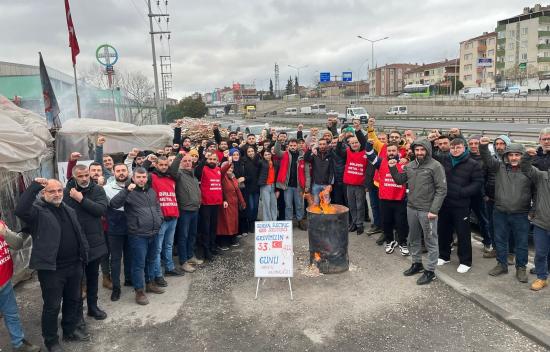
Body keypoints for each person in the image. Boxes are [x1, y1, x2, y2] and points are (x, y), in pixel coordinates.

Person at [16, 178, 90, 351]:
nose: (57, 194)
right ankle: (51, 341)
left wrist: (83, 255)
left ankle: (69, 330)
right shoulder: (37, 212)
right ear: (44, 193)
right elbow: (20, 210)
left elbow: (79, 233)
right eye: (52, 191)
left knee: (73, 300)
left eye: (59, 190)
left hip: (74, 265)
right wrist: (34, 185)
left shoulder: (69, 209)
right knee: (52, 306)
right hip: (52, 270)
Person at [389, 139, 447, 285]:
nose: (420, 153)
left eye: (422, 150)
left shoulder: (435, 166)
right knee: (413, 238)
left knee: (430, 241)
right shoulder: (410, 165)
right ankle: (417, 263)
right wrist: (393, 168)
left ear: (427, 150)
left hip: (427, 210)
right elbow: (399, 180)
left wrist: (434, 210)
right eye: (417, 150)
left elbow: (442, 190)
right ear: (414, 151)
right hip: (411, 208)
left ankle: (430, 271)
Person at [480, 137, 532, 283]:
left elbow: (536, 192)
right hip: (500, 211)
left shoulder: (529, 170)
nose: (514, 157)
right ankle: (501, 264)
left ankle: (521, 268)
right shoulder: (499, 167)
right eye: (510, 155)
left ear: (522, 156)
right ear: (506, 156)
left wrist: (533, 210)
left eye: (517, 154)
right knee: (500, 240)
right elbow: (487, 158)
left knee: (521, 243)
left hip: (521, 213)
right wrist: (483, 146)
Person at [110, 167, 164, 305]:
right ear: (133, 178)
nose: (141, 179)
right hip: (138, 235)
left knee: (151, 260)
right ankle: (139, 291)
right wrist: (127, 189)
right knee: (138, 264)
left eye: (144, 177)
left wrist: (160, 219)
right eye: (138, 177)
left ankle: (150, 283)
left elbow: (157, 207)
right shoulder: (129, 192)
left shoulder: (151, 191)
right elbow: (114, 204)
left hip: (154, 232)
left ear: (147, 178)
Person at [64, 164, 108, 321]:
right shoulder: (67, 192)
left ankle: (92, 307)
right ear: (74, 177)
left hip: (94, 241)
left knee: (93, 277)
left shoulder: (97, 190)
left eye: (86, 175)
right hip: (75, 243)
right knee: (76, 281)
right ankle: (77, 314)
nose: (83, 179)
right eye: (80, 176)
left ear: (89, 175)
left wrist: (81, 199)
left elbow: (101, 210)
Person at [433, 138, 483, 274]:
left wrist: (462, 192)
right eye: (453, 147)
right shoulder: (445, 160)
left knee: (463, 234)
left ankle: (465, 261)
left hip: (461, 205)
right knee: (443, 231)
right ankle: (444, 255)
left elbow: (477, 183)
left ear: (464, 148)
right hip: (444, 203)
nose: (455, 150)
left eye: (458, 147)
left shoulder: (473, 164)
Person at [0, 221, 41, 352]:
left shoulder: (0, 224)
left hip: (5, 280)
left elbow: (18, 244)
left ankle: (18, 343)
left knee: (11, 313)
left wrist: (4, 233)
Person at [143, 155, 184, 286]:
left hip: (173, 216)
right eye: (161, 165)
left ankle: (170, 268)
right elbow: (140, 174)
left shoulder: (171, 177)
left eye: (166, 165)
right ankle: (157, 274)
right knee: (157, 248)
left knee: (168, 245)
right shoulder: (151, 177)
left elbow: (175, 172)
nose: (164, 167)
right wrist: (148, 161)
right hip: (160, 219)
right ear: (156, 165)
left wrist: (178, 157)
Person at [365, 141, 410, 256]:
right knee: (386, 223)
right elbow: (370, 155)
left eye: (393, 150)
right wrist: (369, 145)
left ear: (397, 151)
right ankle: (390, 241)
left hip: (399, 200)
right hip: (384, 199)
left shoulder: (405, 164)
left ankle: (402, 242)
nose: (391, 153)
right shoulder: (380, 162)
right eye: (389, 151)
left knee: (401, 223)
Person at [521, 149, 550, 290]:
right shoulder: (542, 176)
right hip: (541, 223)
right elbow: (525, 167)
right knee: (540, 253)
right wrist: (527, 156)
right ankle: (542, 277)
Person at [103, 163, 133, 301]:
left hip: (132, 227)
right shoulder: (106, 188)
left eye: (123, 170)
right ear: (113, 173)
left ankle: (129, 279)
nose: (121, 173)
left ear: (128, 172)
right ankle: (116, 288)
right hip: (115, 228)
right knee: (115, 259)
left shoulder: (135, 186)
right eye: (118, 171)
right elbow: (113, 205)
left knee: (129, 255)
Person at [169, 152, 202, 273]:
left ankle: (190, 255)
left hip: (195, 209)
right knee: (183, 236)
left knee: (192, 235)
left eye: (189, 161)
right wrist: (178, 157)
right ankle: (183, 261)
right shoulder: (179, 174)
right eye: (185, 161)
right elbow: (171, 171)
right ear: (181, 164)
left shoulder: (193, 175)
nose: (188, 163)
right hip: (184, 211)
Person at [195, 152, 231, 260]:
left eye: (214, 159)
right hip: (206, 204)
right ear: (206, 160)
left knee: (213, 227)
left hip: (216, 203)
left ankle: (212, 246)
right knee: (206, 228)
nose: (212, 161)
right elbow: (197, 171)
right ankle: (206, 251)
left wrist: (229, 162)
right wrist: (203, 159)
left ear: (217, 161)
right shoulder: (203, 168)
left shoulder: (218, 170)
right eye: (210, 159)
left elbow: (223, 172)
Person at [337, 130, 369, 235]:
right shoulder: (347, 152)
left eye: (356, 142)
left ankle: (360, 224)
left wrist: (367, 184)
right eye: (352, 143)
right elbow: (338, 152)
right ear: (349, 144)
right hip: (349, 184)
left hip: (360, 184)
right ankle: (354, 222)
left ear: (360, 143)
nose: (355, 144)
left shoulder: (366, 153)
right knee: (352, 205)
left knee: (360, 205)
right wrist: (339, 141)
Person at [274, 138, 310, 230]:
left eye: (294, 145)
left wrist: (307, 185)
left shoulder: (303, 155)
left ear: (297, 145)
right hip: (288, 186)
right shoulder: (284, 154)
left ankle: (300, 221)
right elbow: (276, 151)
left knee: (299, 205)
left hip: (299, 186)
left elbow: (307, 172)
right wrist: (278, 141)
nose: (293, 147)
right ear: (288, 146)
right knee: (288, 206)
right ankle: (288, 222)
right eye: (291, 146)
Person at [467, 135, 492, 254]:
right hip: (465, 194)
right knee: (462, 219)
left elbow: (490, 177)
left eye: (476, 143)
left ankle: (487, 242)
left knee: (483, 220)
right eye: (470, 143)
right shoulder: (464, 157)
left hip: (480, 195)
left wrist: (486, 193)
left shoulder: (486, 158)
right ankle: (459, 239)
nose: (473, 146)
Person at [216, 160, 247, 249]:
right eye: (229, 167)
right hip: (225, 203)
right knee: (225, 223)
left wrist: (242, 201)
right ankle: (223, 242)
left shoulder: (233, 177)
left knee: (233, 222)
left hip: (234, 204)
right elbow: (222, 171)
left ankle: (232, 239)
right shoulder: (221, 176)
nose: (230, 169)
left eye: (232, 167)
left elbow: (237, 190)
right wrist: (228, 162)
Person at [304, 138, 334, 204]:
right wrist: (309, 149)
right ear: (318, 145)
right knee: (315, 204)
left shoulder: (330, 155)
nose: (322, 146)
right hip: (316, 184)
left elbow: (332, 171)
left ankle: (326, 214)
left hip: (326, 185)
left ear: (327, 145)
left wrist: (330, 184)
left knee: (326, 204)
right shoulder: (314, 154)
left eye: (324, 144)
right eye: (320, 144)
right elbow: (306, 159)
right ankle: (316, 215)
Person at [242, 146, 261, 234]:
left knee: (256, 206)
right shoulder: (244, 161)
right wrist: (246, 178)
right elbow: (244, 174)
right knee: (251, 206)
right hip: (248, 188)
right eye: (249, 151)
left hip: (256, 187)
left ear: (255, 152)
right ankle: (250, 222)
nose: (250, 153)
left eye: (252, 151)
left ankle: (253, 222)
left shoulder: (258, 160)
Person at [258, 149, 279, 221]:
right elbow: (255, 162)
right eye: (265, 155)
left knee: (274, 204)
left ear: (271, 155)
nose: (267, 156)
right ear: (263, 156)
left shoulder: (275, 163)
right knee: (266, 205)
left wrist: (277, 189)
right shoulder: (261, 163)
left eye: (269, 154)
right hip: (265, 186)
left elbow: (277, 177)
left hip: (273, 185)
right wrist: (258, 152)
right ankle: (267, 221)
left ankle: (274, 220)